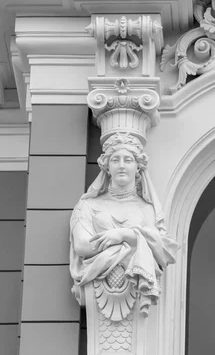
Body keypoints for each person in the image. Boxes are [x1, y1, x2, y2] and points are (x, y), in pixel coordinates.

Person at [70, 133, 179, 318]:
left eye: (127, 160)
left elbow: (162, 248)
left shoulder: (147, 209)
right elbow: (82, 246)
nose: (121, 165)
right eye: (115, 159)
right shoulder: (87, 205)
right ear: (106, 166)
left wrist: (122, 235)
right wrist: (135, 241)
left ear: (138, 167)